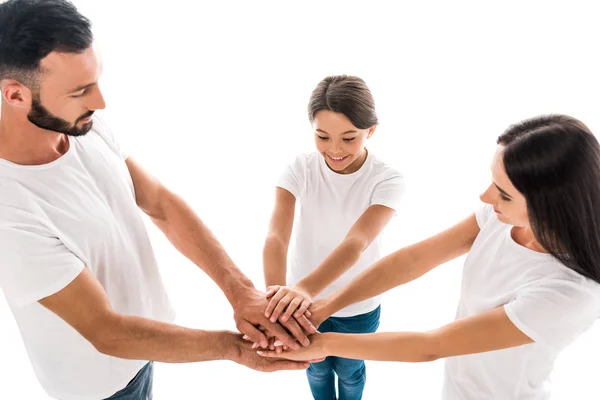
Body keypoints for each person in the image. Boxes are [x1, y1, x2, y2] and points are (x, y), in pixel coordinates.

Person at [0, 1, 315, 399]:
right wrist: (234, 348)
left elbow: (160, 204)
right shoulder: (8, 212)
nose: (100, 102)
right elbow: (106, 332)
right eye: (80, 91)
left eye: (96, 81)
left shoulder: (80, 126)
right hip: (101, 385)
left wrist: (240, 291)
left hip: (146, 347)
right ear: (16, 95)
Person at [260, 114, 600, 400]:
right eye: (492, 182)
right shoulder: (500, 217)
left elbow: (431, 345)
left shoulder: (569, 293)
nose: (485, 196)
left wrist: (318, 343)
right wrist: (324, 307)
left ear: (551, 206)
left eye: (503, 193)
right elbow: (414, 260)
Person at [261, 75, 405, 400]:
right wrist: (275, 301)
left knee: (350, 372)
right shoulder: (299, 169)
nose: (335, 150)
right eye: (322, 136)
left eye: (349, 138)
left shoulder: (387, 180)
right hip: (301, 303)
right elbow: (276, 237)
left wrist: (302, 289)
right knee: (316, 368)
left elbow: (356, 243)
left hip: (357, 304)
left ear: (371, 131)